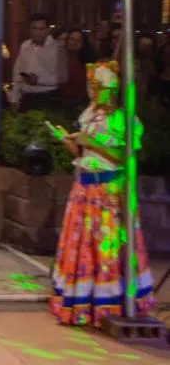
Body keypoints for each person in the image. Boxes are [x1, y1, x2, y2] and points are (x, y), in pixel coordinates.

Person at [50, 61, 154, 327]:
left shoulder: (124, 119)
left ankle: (109, 304)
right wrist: (70, 144)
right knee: (83, 246)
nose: (94, 93)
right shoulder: (90, 115)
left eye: (99, 88)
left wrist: (92, 143)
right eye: (92, 88)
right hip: (84, 188)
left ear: (112, 89)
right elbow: (84, 154)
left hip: (108, 192)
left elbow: (126, 158)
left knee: (106, 247)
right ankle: (82, 302)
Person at [10, 14, 65, 112]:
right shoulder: (25, 45)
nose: (37, 32)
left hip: (47, 97)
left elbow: (62, 77)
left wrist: (38, 80)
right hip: (26, 96)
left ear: (48, 30)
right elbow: (17, 72)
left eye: (41, 29)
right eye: (34, 28)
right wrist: (14, 98)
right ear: (29, 29)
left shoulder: (57, 48)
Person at [58, 28, 95, 110]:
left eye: (78, 41)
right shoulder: (58, 57)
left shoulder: (87, 61)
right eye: (72, 39)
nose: (74, 43)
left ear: (82, 44)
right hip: (59, 102)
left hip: (80, 104)